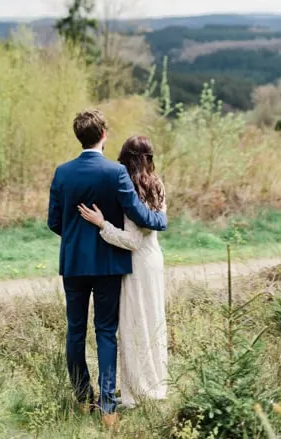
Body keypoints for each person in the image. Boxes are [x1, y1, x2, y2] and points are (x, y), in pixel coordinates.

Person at [47, 110, 168, 428]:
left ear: (80, 137)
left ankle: (83, 397)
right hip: (107, 264)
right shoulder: (116, 173)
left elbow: (54, 221)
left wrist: (76, 238)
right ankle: (108, 408)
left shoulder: (62, 173)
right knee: (105, 332)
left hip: (73, 263)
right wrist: (160, 219)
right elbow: (136, 213)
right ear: (104, 135)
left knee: (75, 331)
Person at [77, 135, 168, 408]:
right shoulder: (157, 185)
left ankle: (136, 392)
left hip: (135, 264)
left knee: (133, 325)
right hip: (154, 260)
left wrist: (102, 224)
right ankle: (155, 383)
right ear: (149, 159)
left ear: (125, 158)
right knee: (153, 322)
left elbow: (132, 241)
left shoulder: (128, 188)